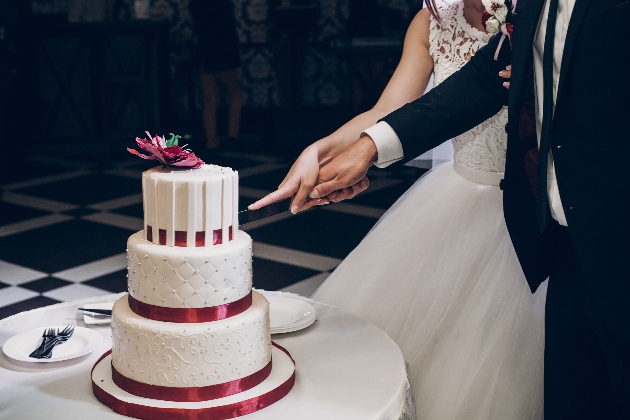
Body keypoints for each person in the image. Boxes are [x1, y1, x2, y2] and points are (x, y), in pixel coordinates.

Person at [255, 0, 630, 418]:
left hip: (582, 230)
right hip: (553, 237)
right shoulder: (504, 13)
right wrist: (349, 148)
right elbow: (477, 83)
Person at [189, 0, 243, 150]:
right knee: (236, 93)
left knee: (209, 99)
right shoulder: (223, 3)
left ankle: (211, 140)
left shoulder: (196, 4)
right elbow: (229, 28)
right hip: (225, 53)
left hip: (205, 53)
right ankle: (233, 134)